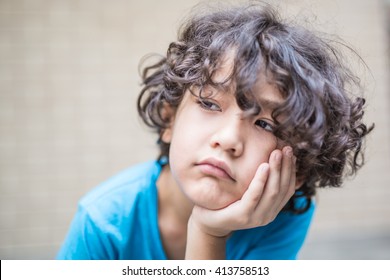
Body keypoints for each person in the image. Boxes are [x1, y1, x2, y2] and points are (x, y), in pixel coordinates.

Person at [57, 2, 373, 260]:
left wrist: (208, 231)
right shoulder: (103, 223)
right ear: (169, 120)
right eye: (209, 104)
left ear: (298, 166)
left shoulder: (285, 217)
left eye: (265, 124)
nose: (228, 139)